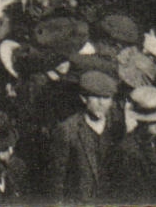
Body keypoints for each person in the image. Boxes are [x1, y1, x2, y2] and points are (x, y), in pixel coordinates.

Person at [48, 69, 123, 203]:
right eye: (96, 97)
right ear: (84, 98)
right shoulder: (68, 129)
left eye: (106, 98)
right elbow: (57, 179)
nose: (101, 103)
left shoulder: (117, 126)